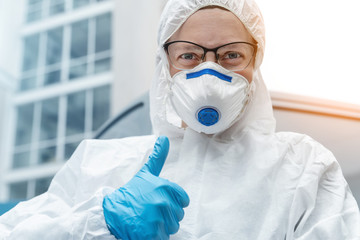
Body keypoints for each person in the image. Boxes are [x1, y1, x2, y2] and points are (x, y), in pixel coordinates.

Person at [1, 0, 359, 239]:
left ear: (255, 65)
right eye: (188, 55)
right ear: (165, 66)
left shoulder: (302, 166)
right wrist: (100, 221)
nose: (209, 72)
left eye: (231, 55)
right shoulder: (100, 162)